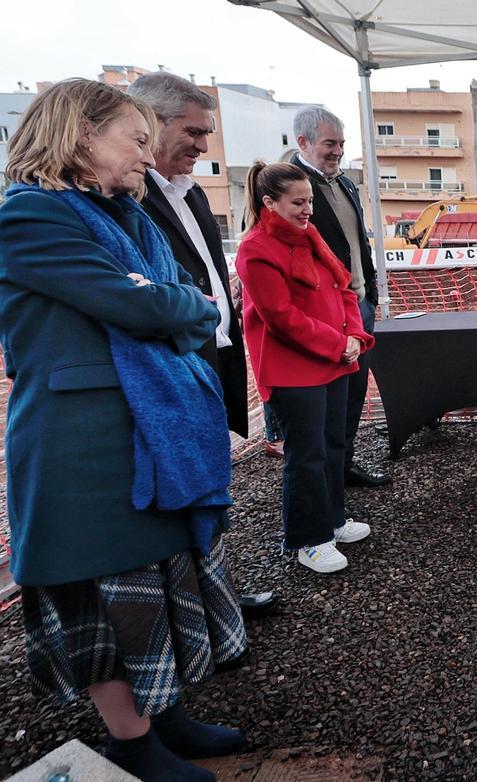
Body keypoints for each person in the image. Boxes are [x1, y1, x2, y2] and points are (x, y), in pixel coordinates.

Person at [0, 78, 247, 782]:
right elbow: (143, 306)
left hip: (144, 433)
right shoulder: (29, 218)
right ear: (81, 132)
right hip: (82, 447)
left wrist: (169, 302)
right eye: (137, 139)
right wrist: (170, 303)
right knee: (104, 592)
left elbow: (184, 303)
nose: (149, 154)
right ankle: (130, 742)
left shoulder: (126, 218)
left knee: (159, 578)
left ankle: (164, 719)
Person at [129, 71, 279, 623]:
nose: (202, 145)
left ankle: (215, 598)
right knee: (179, 488)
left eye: (207, 132)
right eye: (192, 131)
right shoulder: (130, 200)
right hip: (169, 366)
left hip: (211, 358)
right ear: (150, 121)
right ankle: (186, 609)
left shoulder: (190, 195)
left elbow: (210, 278)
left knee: (211, 484)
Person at [236, 161, 375, 574]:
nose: (308, 209)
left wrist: (353, 336)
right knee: (306, 455)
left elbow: (344, 285)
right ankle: (307, 539)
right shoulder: (255, 250)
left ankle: (332, 518)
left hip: (332, 359)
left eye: (310, 200)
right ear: (269, 203)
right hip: (293, 370)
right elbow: (281, 317)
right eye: (298, 202)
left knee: (333, 445)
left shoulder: (308, 235)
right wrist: (341, 342)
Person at [290, 106, 389, 488]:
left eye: (341, 144)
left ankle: (342, 466)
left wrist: (372, 293)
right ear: (304, 142)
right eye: (330, 143)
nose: (337, 151)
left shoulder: (345, 185)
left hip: (358, 305)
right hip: (325, 313)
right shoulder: (293, 190)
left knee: (354, 391)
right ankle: (325, 480)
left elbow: (357, 243)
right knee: (329, 398)